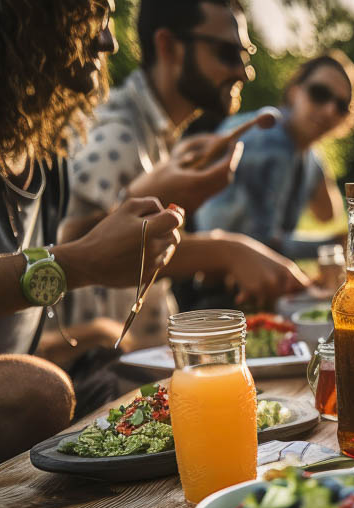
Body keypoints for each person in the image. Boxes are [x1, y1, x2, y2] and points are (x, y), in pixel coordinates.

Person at [0, 0, 185, 478]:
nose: (108, 40)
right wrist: (74, 265)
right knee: (35, 391)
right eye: (91, 16)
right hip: (14, 388)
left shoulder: (46, 152)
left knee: (161, 383)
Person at [58, 0, 309, 353]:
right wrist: (227, 251)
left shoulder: (157, 134)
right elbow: (75, 253)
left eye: (245, 54)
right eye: (227, 53)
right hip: (112, 380)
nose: (243, 72)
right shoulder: (118, 136)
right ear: (169, 46)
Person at [194, 51, 354, 262]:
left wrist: (314, 150)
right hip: (211, 280)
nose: (329, 110)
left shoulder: (303, 149)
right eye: (319, 93)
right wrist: (342, 244)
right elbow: (260, 244)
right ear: (294, 91)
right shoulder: (269, 139)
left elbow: (328, 213)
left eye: (341, 106)